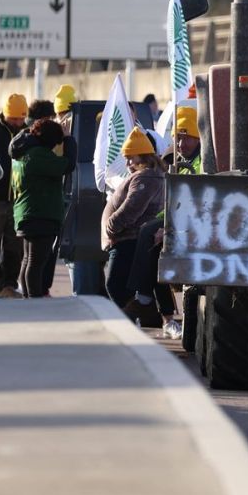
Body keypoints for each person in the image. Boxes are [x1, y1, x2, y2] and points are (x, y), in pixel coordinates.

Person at [125, 106, 201, 338]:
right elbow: (171, 202)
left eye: (186, 138)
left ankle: (142, 298)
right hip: (176, 219)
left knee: (149, 234)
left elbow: (193, 202)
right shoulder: (176, 161)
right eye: (178, 138)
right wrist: (162, 221)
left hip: (194, 223)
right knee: (151, 241)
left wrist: (167, 227)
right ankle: (151, 304)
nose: (181, 144)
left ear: (198, 138)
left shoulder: (202, 163)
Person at [11, 118, 77, 298]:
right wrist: (69, 139)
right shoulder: (38, 155)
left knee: (28, 261)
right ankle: (35, 302)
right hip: (40, 214)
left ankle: (29, 300)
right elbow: (68, 164)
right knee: (35, 263)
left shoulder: (22, 153)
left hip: (26, 213)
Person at [101, 130, 166, 313]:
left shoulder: (145, 177)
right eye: (126, 158)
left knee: (116, 286)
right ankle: (133, 319)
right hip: (126, 238)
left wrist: (110, 228)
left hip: (128, 239)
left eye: (131, 158)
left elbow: (131, 209)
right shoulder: (147, 175)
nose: (128, 163)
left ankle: (131, 320)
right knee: (121, 288)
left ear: (143, 156)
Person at [0, 93, 28, 297]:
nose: (18, 123)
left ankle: (9, 284)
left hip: (18, 200)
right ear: (5, 114)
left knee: (14, 246)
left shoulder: (28, 133)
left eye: (21, 118)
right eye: (14, 119)